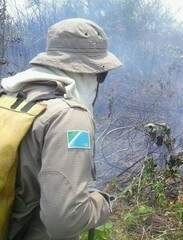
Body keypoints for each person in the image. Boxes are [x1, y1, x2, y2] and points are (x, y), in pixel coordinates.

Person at [0, 18, 122, 240]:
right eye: (101, 74)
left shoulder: (8, 96)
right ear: (88, 71)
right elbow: (65, 221)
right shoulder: (69, 117)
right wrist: (101, 204)